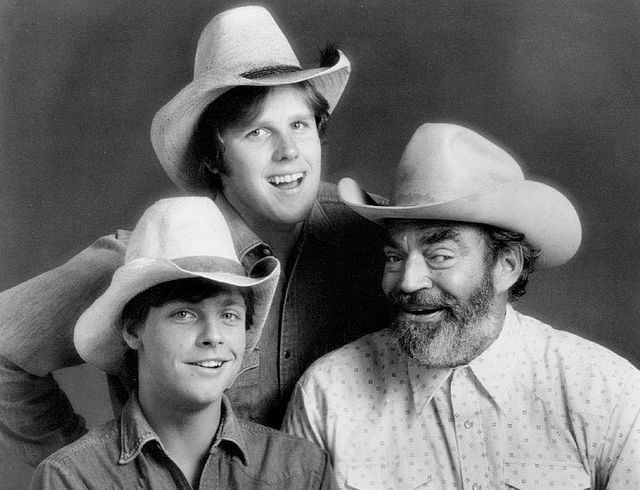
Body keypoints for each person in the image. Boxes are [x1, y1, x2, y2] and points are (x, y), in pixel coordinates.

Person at [0, 5, 389, 467]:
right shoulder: (148, 261)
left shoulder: (371, 232)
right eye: (258, 132)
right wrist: (94, 472)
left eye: (299, 125)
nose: (289, 152)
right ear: (212, 157)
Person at [282, 123, 640, 488]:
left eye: (439, 255)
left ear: (506, 266)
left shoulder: (604, 391)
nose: (407, 281)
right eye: (394, 257)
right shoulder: (328, 394)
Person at [30, 196, 338, 489]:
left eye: (229, 315)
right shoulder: (72, 478)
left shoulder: (301, 470)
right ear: (133, 331)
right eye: (184, 313)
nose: (213, 336)